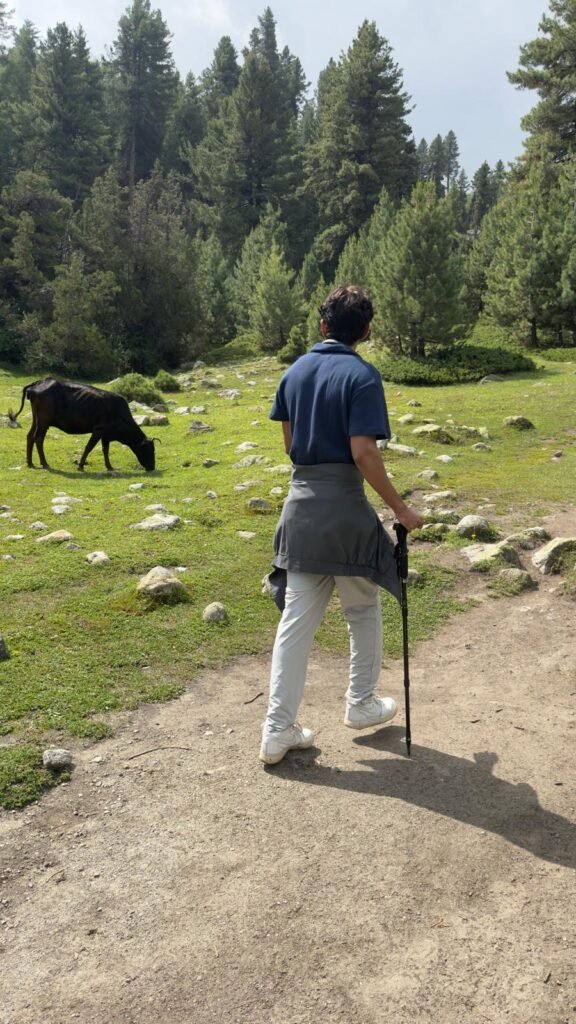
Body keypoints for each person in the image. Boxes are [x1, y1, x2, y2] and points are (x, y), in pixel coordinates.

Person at [260, 284, 424, 765]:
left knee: (295, 625)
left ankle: (277, 731)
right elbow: (363, 452)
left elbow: (290, 447)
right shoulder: (362, 375)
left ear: (322, 324)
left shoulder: (293, 372)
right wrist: (401, 509)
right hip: (347, 513)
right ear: (366, 331)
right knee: (362, 606)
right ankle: (360, 703)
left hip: (300, 513)